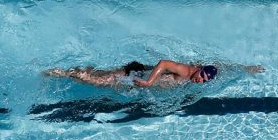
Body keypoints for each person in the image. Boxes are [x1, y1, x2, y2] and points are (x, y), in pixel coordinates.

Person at [44, 60, 264, 88]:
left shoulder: (198, 74)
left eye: (203, 81)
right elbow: (164, 63)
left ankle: (76, 69)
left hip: (135, 76)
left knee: (100, 77)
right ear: (198, 70)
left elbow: (223, 68)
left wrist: (246, 69)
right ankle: (59, 73)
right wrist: (150, 81)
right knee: (96, 81)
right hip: (136, 74)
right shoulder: (186, 71)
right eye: (200, 76)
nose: (199, 80)